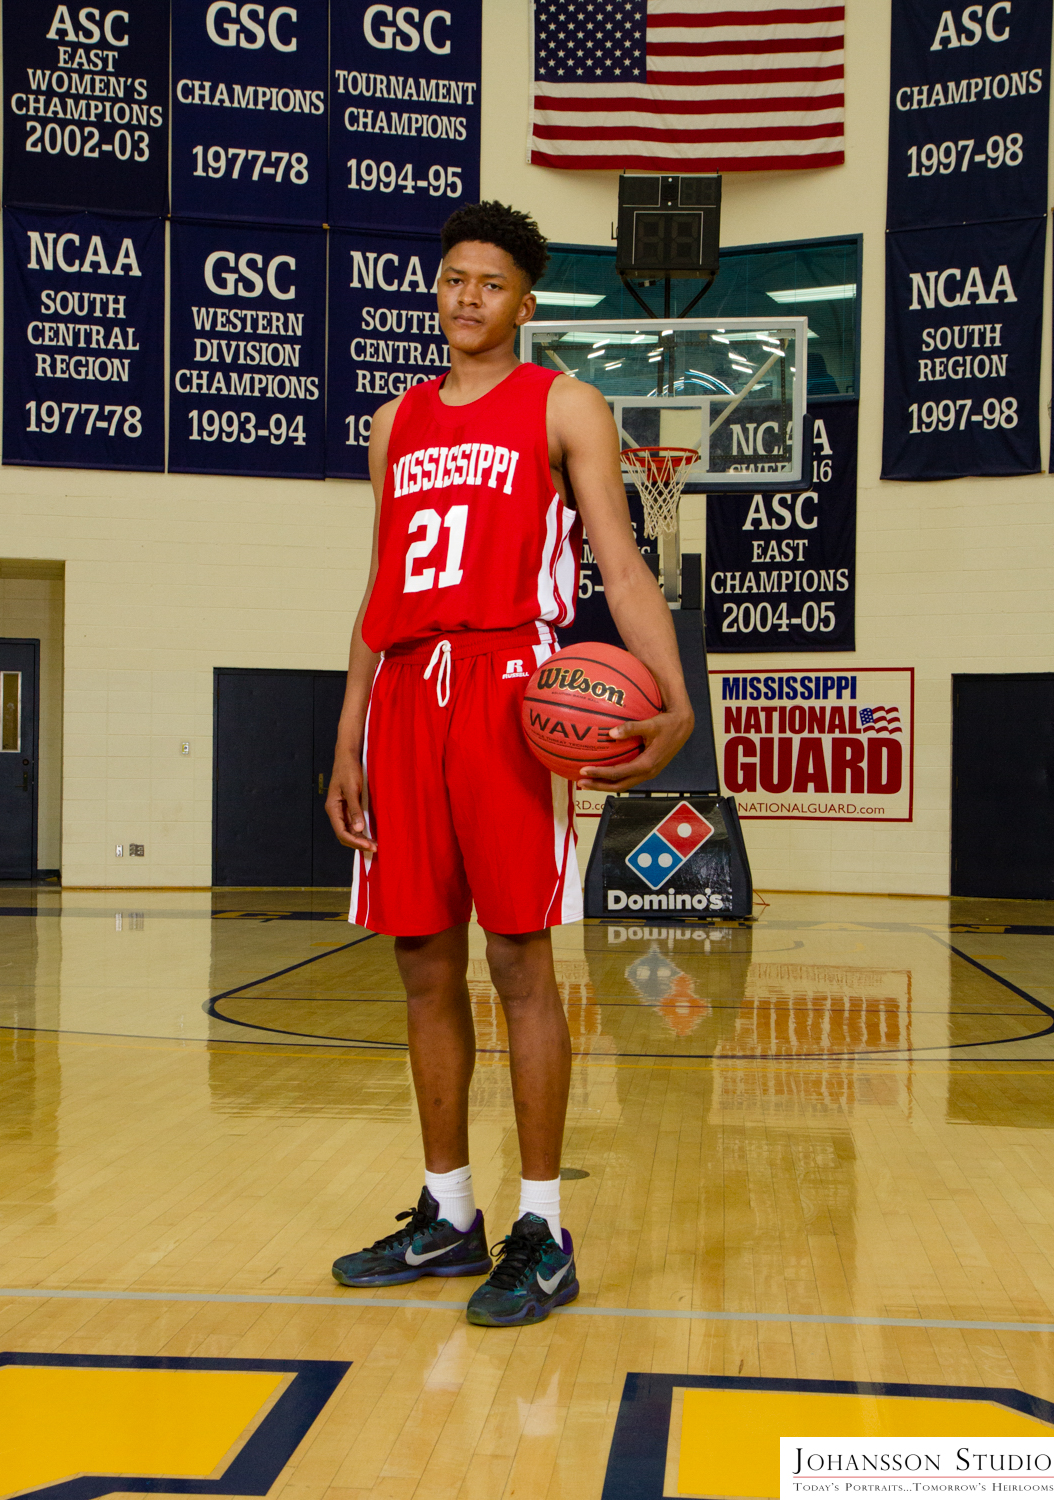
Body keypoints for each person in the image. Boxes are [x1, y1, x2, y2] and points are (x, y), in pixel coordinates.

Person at [325, 201, 694, 1327]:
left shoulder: (563, 404)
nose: (467, 297)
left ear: (524, 302)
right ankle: (448, 1214)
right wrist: (348, 732)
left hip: (507, 692)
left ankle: (543, 1227)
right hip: (405, 693)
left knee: (519, 960)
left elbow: (620, 564)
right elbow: (381, 583)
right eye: (453, 278)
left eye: (489, 283)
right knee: (421, 962)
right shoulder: (395, 422)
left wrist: (676, 695)